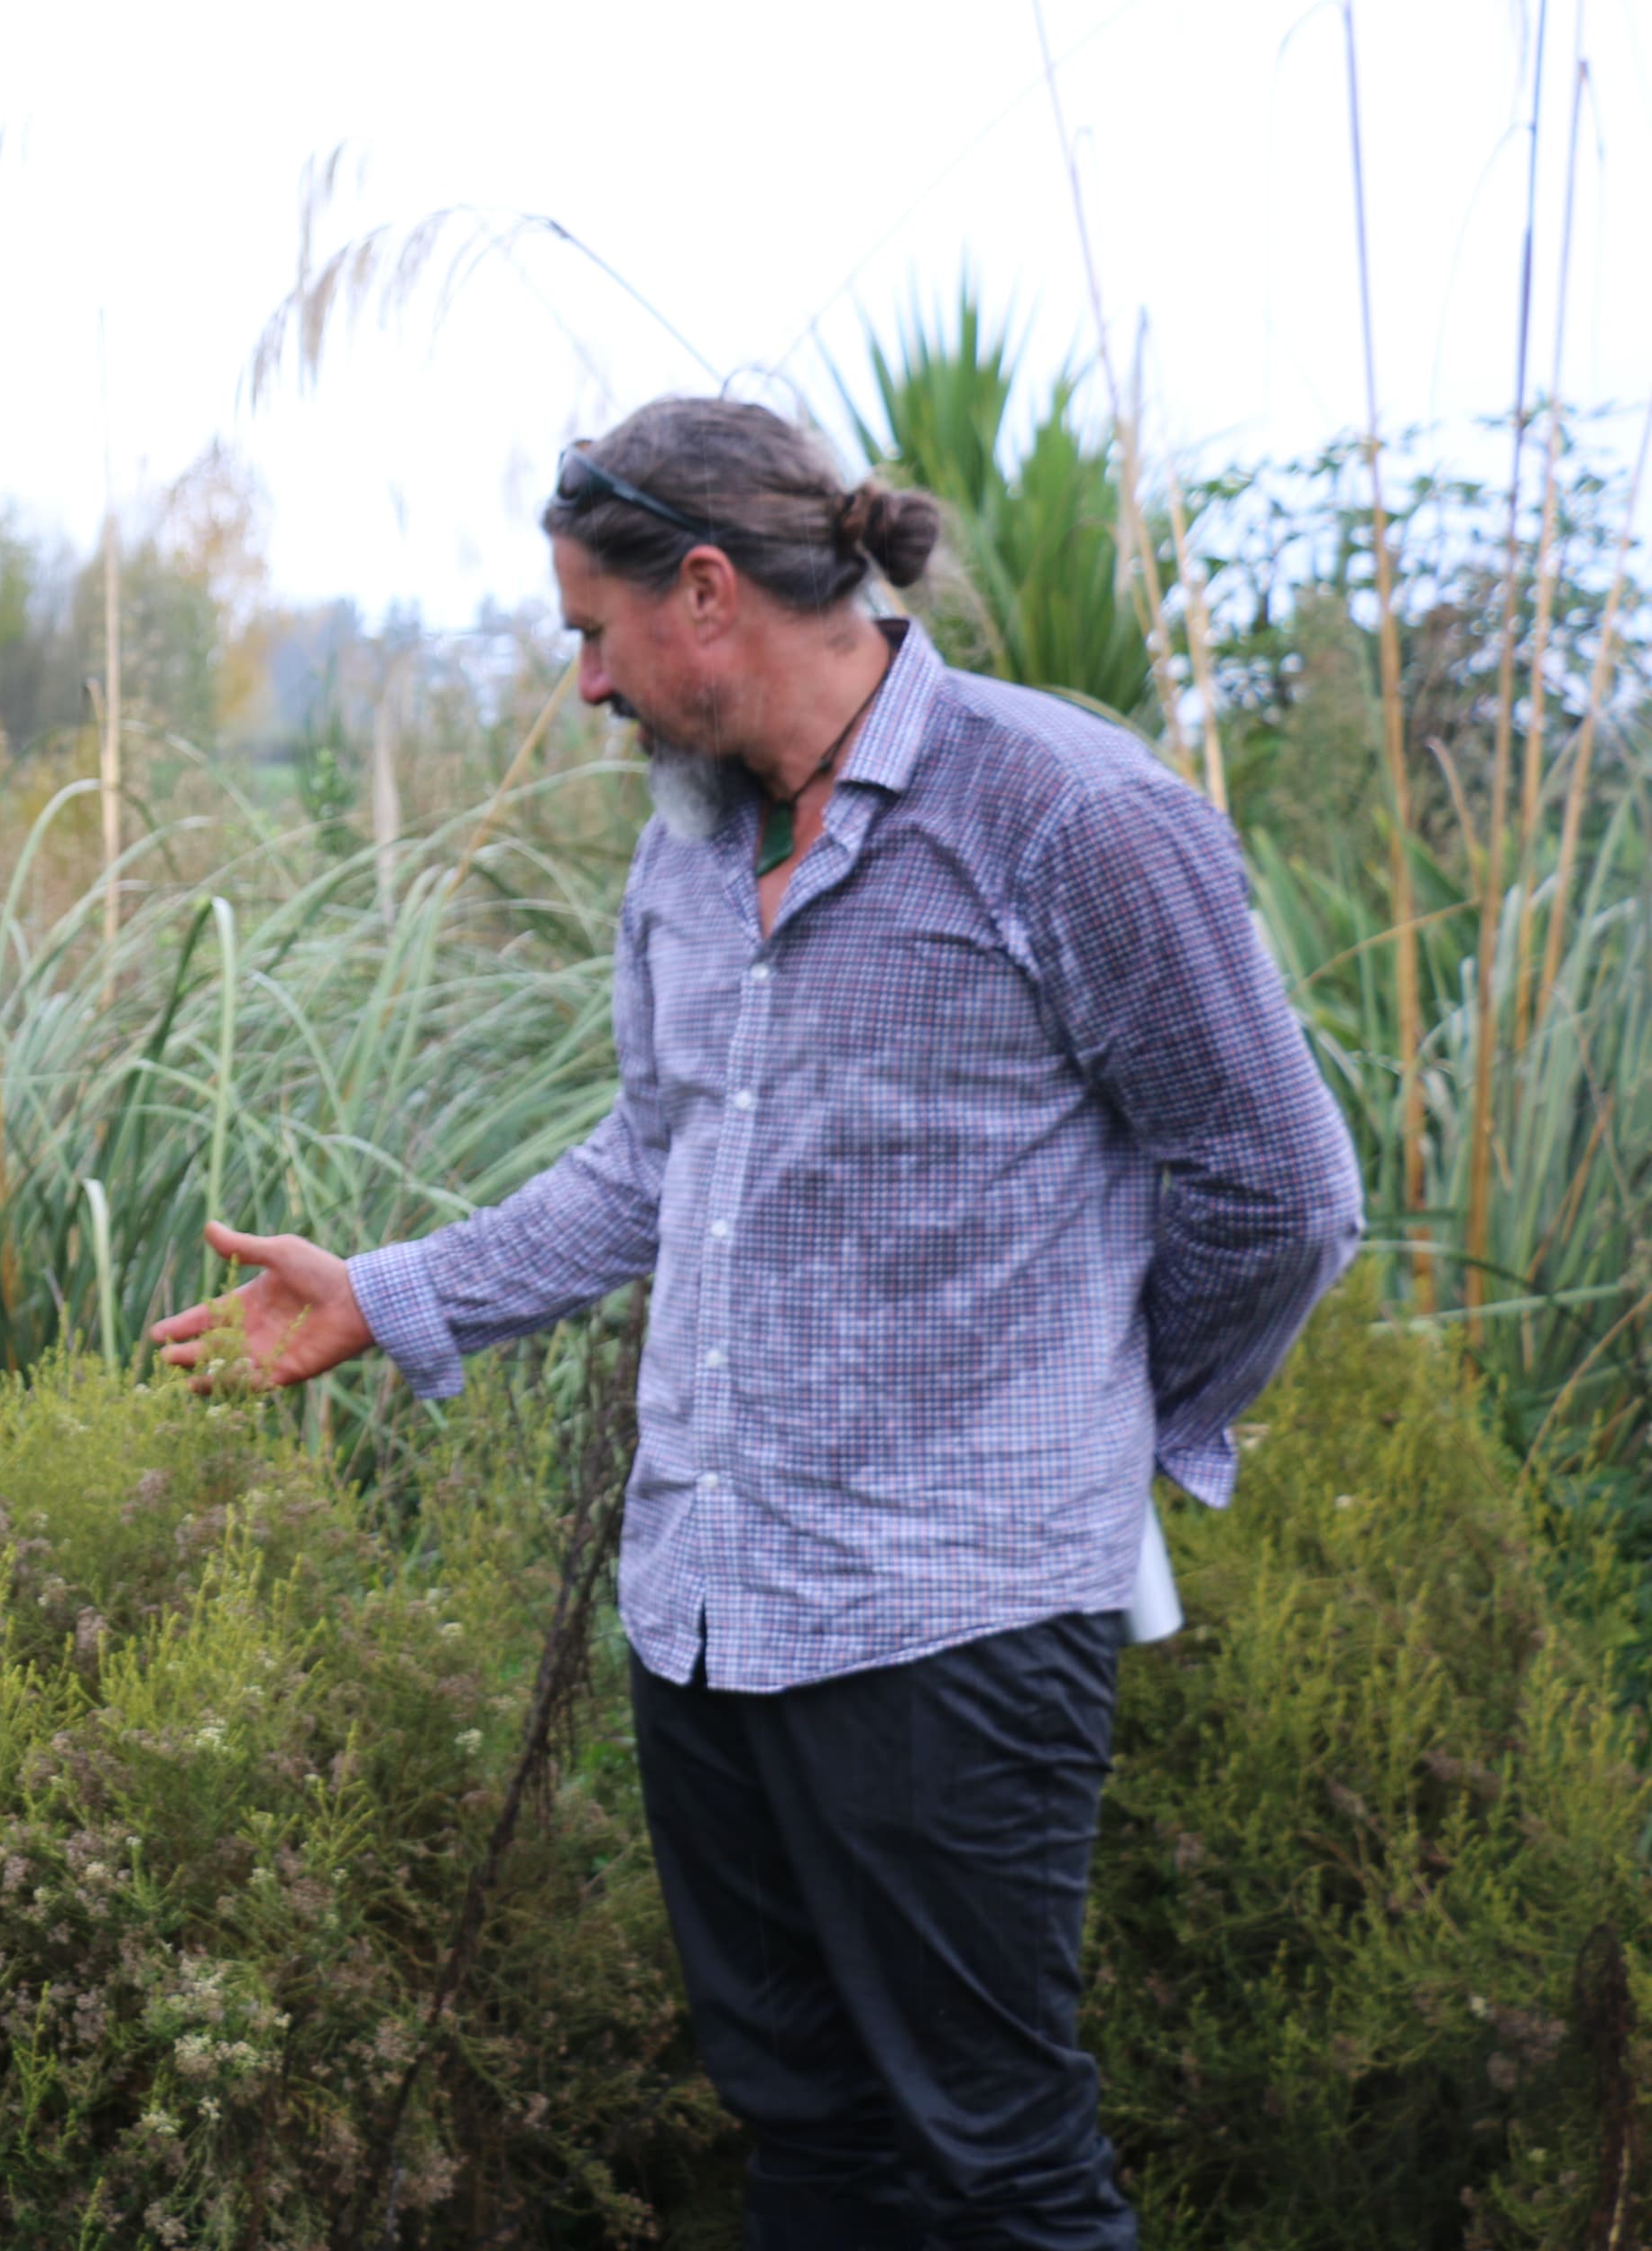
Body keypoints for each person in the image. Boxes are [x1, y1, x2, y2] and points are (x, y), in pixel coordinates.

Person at [152, 398, 1360, 2250]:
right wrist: (386, 1296)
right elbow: (653, 1161)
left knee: (1001, 2165)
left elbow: (1281, 1187)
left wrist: (1102, 1423)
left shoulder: (1073, 816)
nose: (583, 685)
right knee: (807, 2135)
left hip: (952, 1617)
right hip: (712, 1612)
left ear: (704, 592)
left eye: (590, 629)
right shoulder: (696, 848)